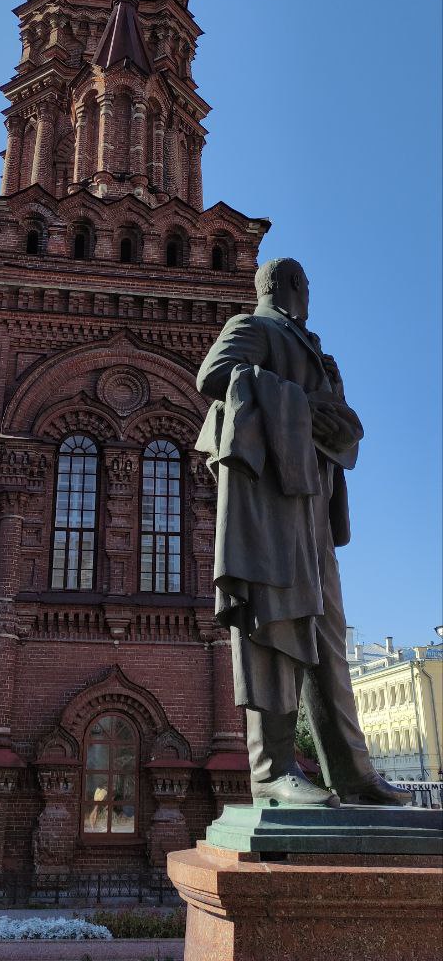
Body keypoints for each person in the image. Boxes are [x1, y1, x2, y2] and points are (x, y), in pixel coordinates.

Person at [196, 257, 410, 807]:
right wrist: (301, 405)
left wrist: (330, 406)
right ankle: (272, 769)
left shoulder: (312, 347)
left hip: (312, 504)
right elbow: (215, 375)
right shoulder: (253, 326)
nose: (310, 296)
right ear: (293, 284)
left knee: (328, 639)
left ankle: (353, 774)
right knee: (274, 622)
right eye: (307, 287)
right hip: (271, 502)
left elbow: (334, 423)